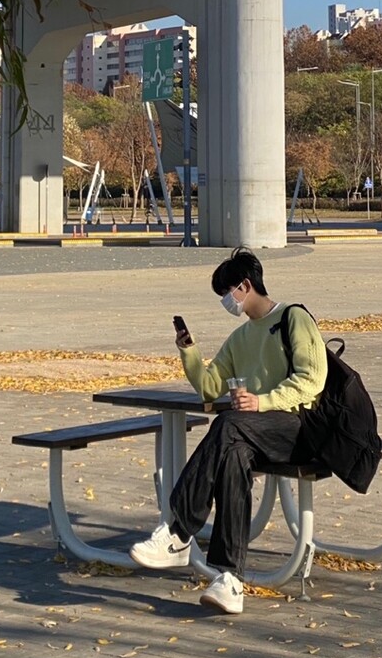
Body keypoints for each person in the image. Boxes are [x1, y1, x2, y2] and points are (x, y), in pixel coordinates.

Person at [129, 247, 327, 615]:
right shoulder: (240, 338)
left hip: (300, 429)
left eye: (226, 292)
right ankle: (230, 580)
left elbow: (312, 380)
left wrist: (261, 402)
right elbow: (209, 388)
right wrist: (188, 351)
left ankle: (178, 533)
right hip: (251, 432)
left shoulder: (293, 318)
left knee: (229, 423)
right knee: (233, 455)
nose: (225, 301)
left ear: (245, 286)